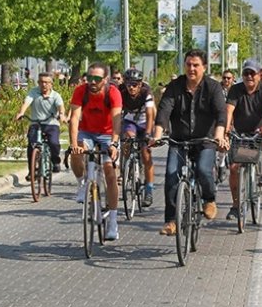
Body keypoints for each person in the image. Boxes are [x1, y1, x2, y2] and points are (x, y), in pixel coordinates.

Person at [152, 50, 227, 235]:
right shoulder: (175, 86)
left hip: (206, 141)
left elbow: (221, 113)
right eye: (188, 65)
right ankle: (171, 221)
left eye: (196, 65)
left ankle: (209, 199)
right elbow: (163, 111)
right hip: (179, 140)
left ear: (204, 67)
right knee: (171, 175)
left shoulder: (213, 87)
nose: (191, 68)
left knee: (203, 169)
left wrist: (219, 135)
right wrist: (157, 134)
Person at [69, 62, 123, 241]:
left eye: (97, 79)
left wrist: (114, 143)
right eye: (89, 77)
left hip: (108, 134)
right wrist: (73, 144)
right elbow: (75, 118)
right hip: (87, 132)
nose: (92, 81)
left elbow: (117, 120)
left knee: (110, 171)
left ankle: (113, 221)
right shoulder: (80, 91)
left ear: (105, 79)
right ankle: (82, 183)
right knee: (77, 152)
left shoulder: (113, 93)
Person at [225, 59, 262, 221]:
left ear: (258, 75)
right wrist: (226, 128)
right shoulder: (235, 90)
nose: (249, 76)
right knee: (234, 168)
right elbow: (229, 110)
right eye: (246, 73)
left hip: (260, 133)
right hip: (242, 135)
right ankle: (235, 206)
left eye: (252, 73)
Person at [118, 68, 157, 207]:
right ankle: (126, 166)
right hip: (130, 121)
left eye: (135, 85)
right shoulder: (120, 91)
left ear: (140, 84)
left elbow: (150, 113)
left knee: (146, 155)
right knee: (127, 139)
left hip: (144, 122)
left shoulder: (146, 92)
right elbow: (116, 110)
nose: (131, 88)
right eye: (129, 84)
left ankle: (149, 189)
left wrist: (147, 134)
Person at [15, 72, 67, 174]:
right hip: (35, 123)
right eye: (41, 82)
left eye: (47, 82)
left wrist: (61, 114)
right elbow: (26, 102)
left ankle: (55, 161)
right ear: (38, 83)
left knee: (54, 143)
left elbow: (61, 107)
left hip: (51, 123)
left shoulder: (55, 95)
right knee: (31, 146)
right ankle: (32, 171)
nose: (44, 84)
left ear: (51, 84)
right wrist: (21, 113)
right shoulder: (33, 92)